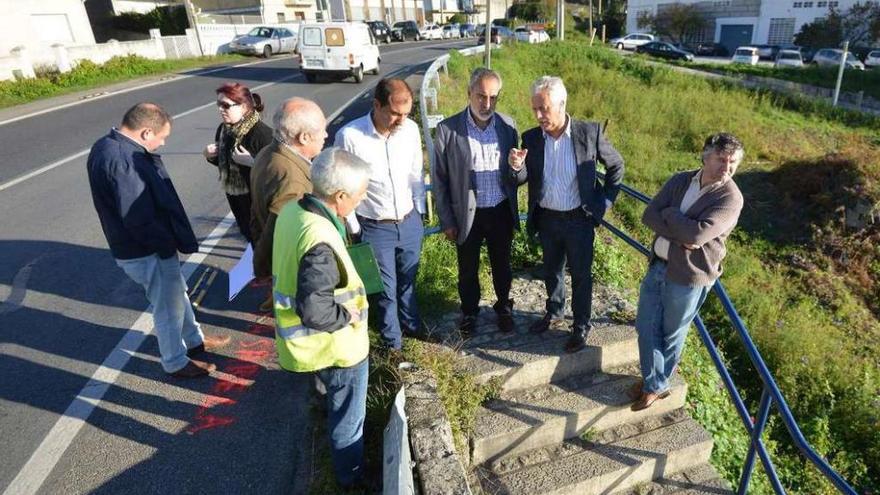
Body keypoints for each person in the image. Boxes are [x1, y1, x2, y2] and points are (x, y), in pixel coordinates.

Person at [87, 102, 230, 378]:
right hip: (146, 249)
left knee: (177, 295)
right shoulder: (125, 159)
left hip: (140, 246)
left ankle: (194, 340)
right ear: (145, 132)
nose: (162, 143)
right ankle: (175, 361)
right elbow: (137, 216)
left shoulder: (106, 145)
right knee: (168, 307)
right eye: (161, 137)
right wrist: (165, 246)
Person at [272, 148, 371, 490]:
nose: (362, 199)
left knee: (329, 404)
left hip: (308, 348)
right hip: (337, 348)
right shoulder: (321, 240)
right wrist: (350, 313)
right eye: (360, 195)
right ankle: (350, 478)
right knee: (348, 420)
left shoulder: (293, 212)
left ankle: (326, 433)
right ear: (340, 197)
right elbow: (315, 309)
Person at [631, 133, 744, 411]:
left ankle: (654, 385)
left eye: (732, 163)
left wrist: (669, 215)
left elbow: (696, 234)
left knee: (672, 333)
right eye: (721, 159)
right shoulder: (681, 180)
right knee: (646, 326)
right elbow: (648, 215)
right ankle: (656, 384)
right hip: (658, 265)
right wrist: (679, 227)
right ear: (706, 156)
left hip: (690, 276)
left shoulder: (730, 198)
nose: (726, 168)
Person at [511, 76, 625, 353]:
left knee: (582, 276)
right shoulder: (530, 138)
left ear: (562, 104)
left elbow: (617, 167)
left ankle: (581, 326)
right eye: (534, 108)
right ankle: (554, 312)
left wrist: (604, 203)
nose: (538, 115)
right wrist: (516, 167)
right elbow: (524, 178)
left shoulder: (589, 133)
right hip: (547, 217)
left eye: (544, 108)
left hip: (579, 218)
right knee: (552, 271)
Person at [334, 78, 426, 351]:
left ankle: (412, 326)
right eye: (395, 113)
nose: (401, 120)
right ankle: (392, 345)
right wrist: (354, 228)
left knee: (408, 281)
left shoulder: (410, 130)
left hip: (409, 222)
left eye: (407, 114)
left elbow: (415, 173)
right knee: (385, 291)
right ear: (377, 105)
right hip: (374, 226)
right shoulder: (350, 136)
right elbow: (342, 184)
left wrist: (420, 211)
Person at [432, 68, 526, 336]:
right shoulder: (448, 129)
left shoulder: (508, 126)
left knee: (502, 265)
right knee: (467, 268)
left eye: (493, 98)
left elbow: (516, 176)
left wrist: (517, 168)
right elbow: (440, 180)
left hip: (499, 210)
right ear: (468, 94)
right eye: (481, 97)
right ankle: (470, 312)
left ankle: (504, 307)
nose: (487, 104)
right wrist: (447, 220)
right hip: (467, 214)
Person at [250, 97, 327, 310]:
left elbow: (255, 213)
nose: (326, 136)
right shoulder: (291, 178)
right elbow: (277, 229)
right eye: (322, 131)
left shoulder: (268, 152)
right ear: (304, 137)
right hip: (292, 268)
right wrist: (263, 267)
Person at [203, 82, 273, 244]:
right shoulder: (224, 130)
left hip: (259, 204)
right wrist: (210, 156)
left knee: (265, 245)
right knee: (249, 237)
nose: (221, 109)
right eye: (218, 105)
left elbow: (277, 172)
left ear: (243, 107)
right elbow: (227, 163)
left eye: (226, 105)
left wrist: (253, 162)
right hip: (236, 200)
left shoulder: (262, 134)